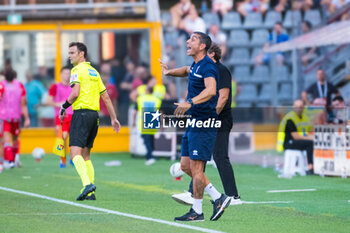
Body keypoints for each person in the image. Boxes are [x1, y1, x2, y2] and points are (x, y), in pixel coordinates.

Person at [159, 32, 231, 222]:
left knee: (198, 169)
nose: (188, 41)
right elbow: (186, 71)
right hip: (193, 121)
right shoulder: (197, 64)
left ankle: (197, 211)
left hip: (204, 121)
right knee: (185, 166)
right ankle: (217, 197)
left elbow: (211, 90)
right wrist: (169, 72)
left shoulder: (208, 66)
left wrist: (190, 102)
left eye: (192, 39)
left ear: (202, 46)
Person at [171, 44, 241, 206]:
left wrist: (209, 116)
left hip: (219, 118)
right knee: (198, 156)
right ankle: (192, 192)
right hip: (206, 118)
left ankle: (233, 196)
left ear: (213, 55)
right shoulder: (202, 70)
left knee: (219, 156)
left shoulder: (220, 70)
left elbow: (223, 97)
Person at [59, 42, 120, 201]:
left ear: (81, 54)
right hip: (94, 117)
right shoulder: (94, 72)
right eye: (69, 52)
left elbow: (75, 93)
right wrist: (114, 118)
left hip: (81, 115)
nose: (69, 55)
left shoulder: (76, 70)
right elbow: (105, 97)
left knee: (74, 154)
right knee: (86, 156)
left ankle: (87, 184)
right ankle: (91, 193)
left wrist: (64, 107)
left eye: (72, 52)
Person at [1, 69, 30, 169]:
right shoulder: (19, 85)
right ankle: (14, 159)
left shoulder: (2, 85)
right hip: (16, 117)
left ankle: (8, 161)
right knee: (15, 139)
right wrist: (26, 118)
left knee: (6, 139)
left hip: (4, 117)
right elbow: (23, 103)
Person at [277, 99, 314, 174]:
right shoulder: (290, 118)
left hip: (297, 141)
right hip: (288, 143)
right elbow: (295, 136)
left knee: (312, 143)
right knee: (310, 143)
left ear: (303, 107)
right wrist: (310, 138)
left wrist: (312, 136)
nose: (299, 109)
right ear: (293, 107)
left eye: (300, 107)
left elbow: (306, 132)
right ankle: (310, 167)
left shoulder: (305, 118)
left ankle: (310, 166)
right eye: (297, 107)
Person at [46, 67, 73, 168]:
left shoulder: (74, 86)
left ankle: (72, 158)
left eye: (69, 73)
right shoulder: (55, 87)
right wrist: (59, 104)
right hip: (60, 116)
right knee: (63, 137)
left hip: (73, 115)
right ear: (61, 75)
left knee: (74, 139)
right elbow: (48, 101)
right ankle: (62, 160)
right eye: (65, 73)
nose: (67, 75)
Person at [133, 85, 162, 165]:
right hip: (153, 119)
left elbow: (135, 111)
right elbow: (161, 112)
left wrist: (134, 122)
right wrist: (162, 124)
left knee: (146, 140)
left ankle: (149, 157)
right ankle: (151, 154)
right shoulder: (157, 100)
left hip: (144, 121)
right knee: (151, 139)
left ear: (147, 91)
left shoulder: (140, 99)